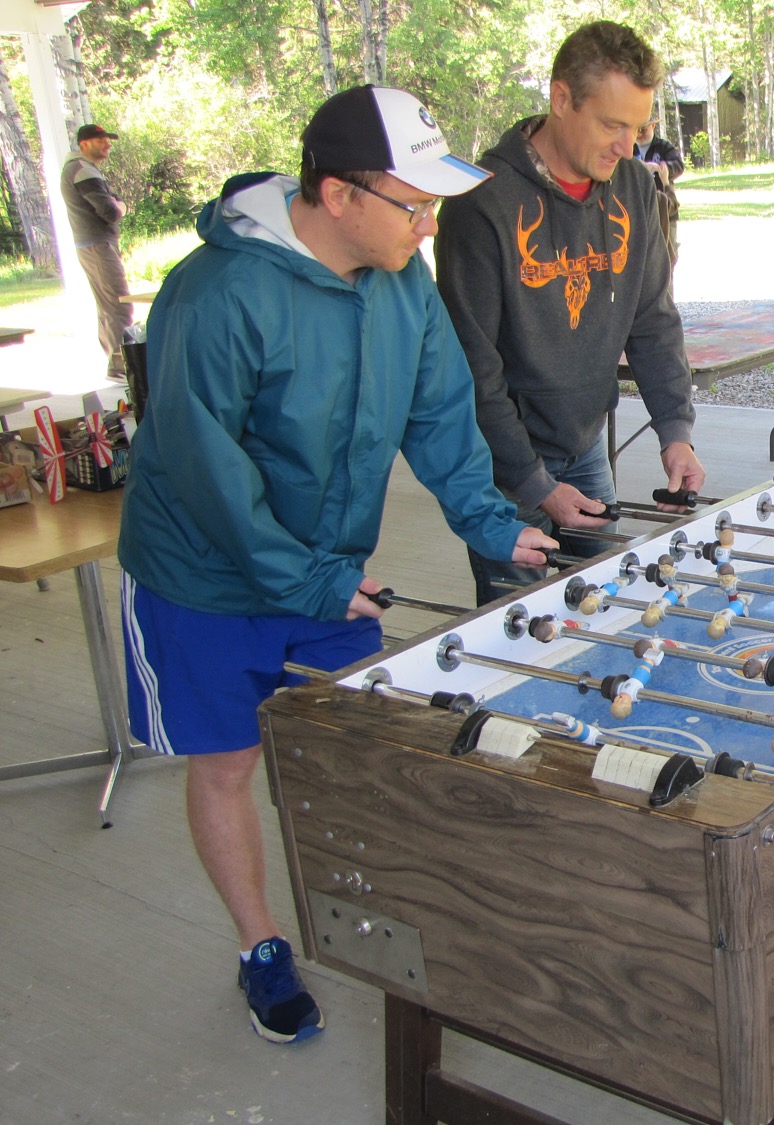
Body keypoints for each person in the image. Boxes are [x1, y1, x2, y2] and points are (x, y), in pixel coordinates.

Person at [115, 84, 557, 1046]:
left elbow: (440, 414)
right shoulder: (216, 291)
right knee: (230, 761)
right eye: (413, 201)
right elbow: (203, 463)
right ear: (337, 193)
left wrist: (490, 522)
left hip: (324, 572)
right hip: (203, 578)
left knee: (354, 754)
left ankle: (383, 920)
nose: (430, 220)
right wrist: (311, 579)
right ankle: (261, 945)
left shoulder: (403, 282)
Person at [435, 19, 704, 605]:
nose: (626, 145)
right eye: (612, 124)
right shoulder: (481, 203)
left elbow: (653, 318)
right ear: (561, 99)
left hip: (585, 445)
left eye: (639, 127)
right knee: (520, 633)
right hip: (504, 469)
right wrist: (534, 482)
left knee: (608, 608)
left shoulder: (633, 185)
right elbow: (472, 368)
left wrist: (675, 431)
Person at [60, 123, 131, 382]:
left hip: (95, 244)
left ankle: (116, 363)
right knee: (119, 305)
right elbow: (111, 211)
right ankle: (121, 366)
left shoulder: (86, 170)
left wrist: (117, 202)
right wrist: (121, 206)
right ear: (84, 145)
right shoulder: (82, 171)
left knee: (109, 305)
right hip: (97, 245)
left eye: (108, 139)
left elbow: (112, 200)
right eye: (100, 140)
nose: (107, 144)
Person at [633, 116, 684, 262]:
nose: (641, 134)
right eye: (637, 130)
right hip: (639, 212)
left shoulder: (663, 147)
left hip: (666, 210)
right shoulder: (629, 148)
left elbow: (679, 166)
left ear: (653, 127)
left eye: (644, 129)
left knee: (667, 256)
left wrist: (662, 168)